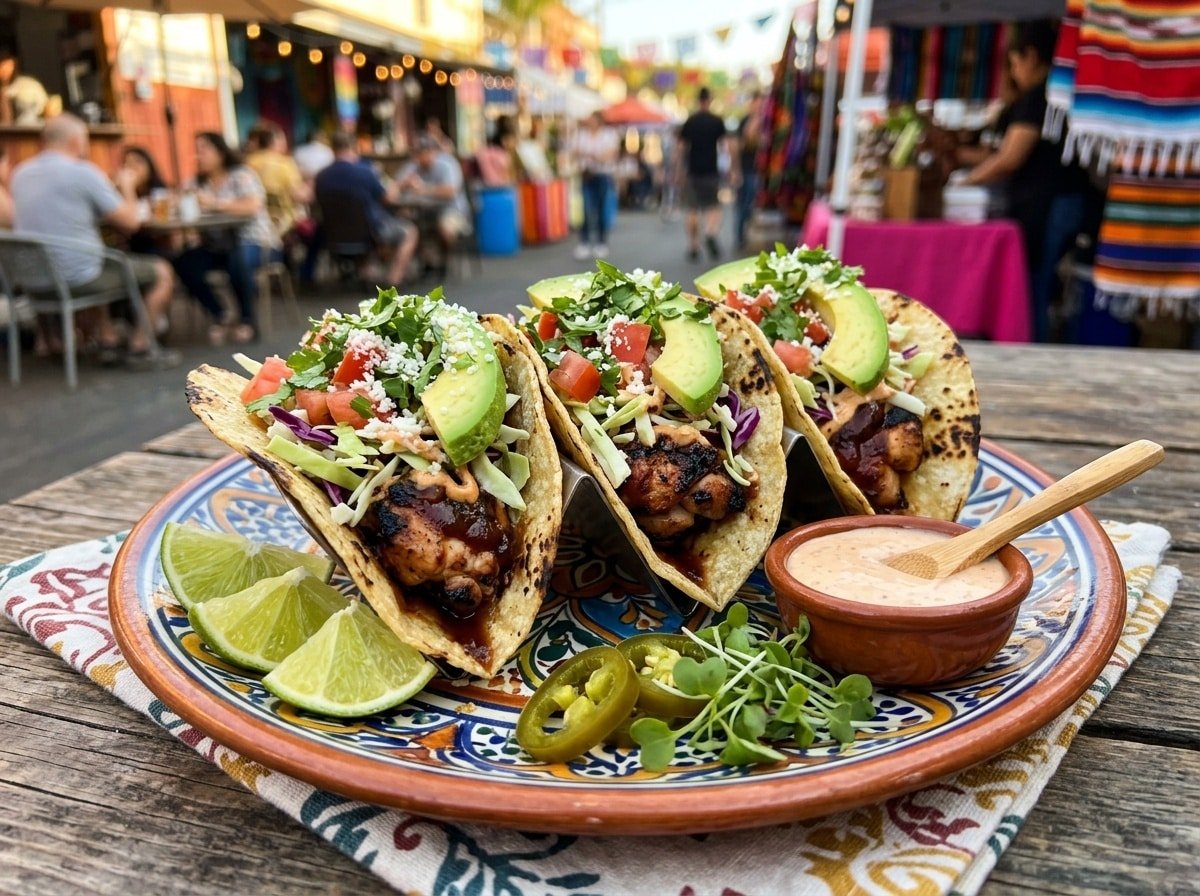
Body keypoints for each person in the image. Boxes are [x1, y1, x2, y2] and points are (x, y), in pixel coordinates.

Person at [10, 114, 178, 369]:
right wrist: (128, 185)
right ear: (76, 141)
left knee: (96, 257)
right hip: (76, 278)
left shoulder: (20, 174)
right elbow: (130, 222)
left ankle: (107, 339)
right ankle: (141, 346)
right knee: (162, 271)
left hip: (32, 280)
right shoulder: (83, 172)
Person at [963, 20, 1092, 342]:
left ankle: (1032, 345)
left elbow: (1010, 157)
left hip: (1050, 204)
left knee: (1034, 283)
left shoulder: (1038, 97)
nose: (1014, 72)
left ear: (1031, 56)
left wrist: (966, 182)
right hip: (1062, 200)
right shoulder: (1056, 94)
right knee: (1040, 283)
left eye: (1015, 63)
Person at [172, 131, 276, 346]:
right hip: (217, 246)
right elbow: (179, 201)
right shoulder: (197, 182)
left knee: (238, 258)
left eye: (204, 150)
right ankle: (221, 314)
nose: (199, 156)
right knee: (184, 262)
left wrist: (215, 203)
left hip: (256, 241)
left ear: (220, 151)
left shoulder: (241, 175)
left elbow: (253, 205)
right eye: (197, 151)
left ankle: (247, 320)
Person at [314, 131, 417, 286]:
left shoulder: (321, 176)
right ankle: (393, 280)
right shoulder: (365, 173)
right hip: (369, 233)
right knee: (410, 231)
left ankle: (367, 269)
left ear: (333, 149)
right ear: (354, 147)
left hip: (333, 235)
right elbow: (388, 198)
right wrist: (400, 185)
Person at [396, 135, 472, 273]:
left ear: (433, 151)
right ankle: (427, 260)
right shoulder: (413, 165)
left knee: (445, 228)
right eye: (417, 152)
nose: (420, 156)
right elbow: (395, 187)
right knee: (406, 224)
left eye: (423, 152)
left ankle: (444, 260)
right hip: (423, 211)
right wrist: (404, 184)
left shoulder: (447, 164)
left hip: (452, 210)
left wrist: (423, 188)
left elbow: (450, 192)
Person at [678, 86, 732, 261]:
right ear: (710, 100)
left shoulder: (690, 121)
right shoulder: (717, 121)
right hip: (711, 171)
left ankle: (693, 246)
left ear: (698, 100)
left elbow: (681, 147)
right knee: (713, 207)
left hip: (692, 171)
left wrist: (678, 170)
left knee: (692, 209)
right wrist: (730, 168)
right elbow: (724, 146)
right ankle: (710, 232)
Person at [245, 121, 311, 240]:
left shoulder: (246, 164)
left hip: (254, 225)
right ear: (273, 141)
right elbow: (298, 195)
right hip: (284, 226)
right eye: (282, 139)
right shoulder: (285, 163)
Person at [569, 112, 620, 259]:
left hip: (602, 175)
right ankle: (584, 242)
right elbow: (574, 152)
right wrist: (594, 154)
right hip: (586, 175)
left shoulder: (609, 135)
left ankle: (601, 242)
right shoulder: (581, 135)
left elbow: (609, 156)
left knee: (601, 209)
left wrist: (589, 154)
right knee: (585, 209)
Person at [734, 91, 765, 250]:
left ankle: (744, 234)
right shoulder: (745, 121)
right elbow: (740, 145)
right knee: (744, 204)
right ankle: (740, 236)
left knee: (751, 204)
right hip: (747, 169)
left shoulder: (766, 121)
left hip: (758, 170)